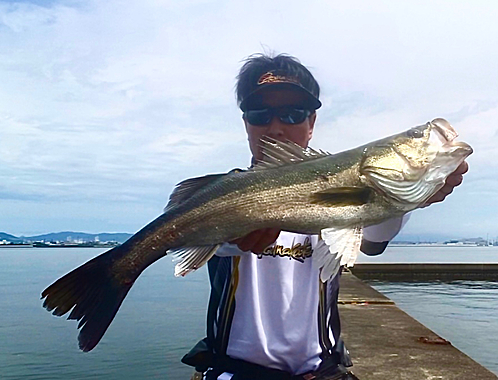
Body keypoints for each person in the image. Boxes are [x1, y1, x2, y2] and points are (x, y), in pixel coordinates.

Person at [182, 54, 469, 380]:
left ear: (312, 124)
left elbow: (373, 238)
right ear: (245, 122)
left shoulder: (345, 184)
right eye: (260, 114)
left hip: (322, 374)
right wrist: (230, 234)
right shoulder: (223, 193)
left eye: (293, 114)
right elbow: (216, 244)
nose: (275, 127)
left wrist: (412, 196)